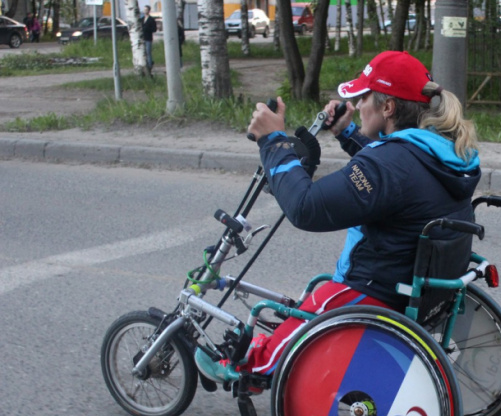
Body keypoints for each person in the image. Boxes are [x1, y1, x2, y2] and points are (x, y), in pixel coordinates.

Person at [195, 51, 481, 382]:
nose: (357, 104)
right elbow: (398, 180)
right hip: (418, 287)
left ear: (387, 108)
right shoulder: (440, 150)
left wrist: (274, 143)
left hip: (376, 288)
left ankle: (246, 366)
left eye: (363, 97)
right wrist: (347, 132)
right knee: (319, 289)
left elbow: (306, 208)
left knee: (321, 298)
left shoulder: (388, 165)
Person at [141, 6, 157, 74]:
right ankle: (144, 65)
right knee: (143, 53)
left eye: (146, 10)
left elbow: (154, 29)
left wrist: (147, 29)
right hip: (142, 38)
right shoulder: (142, 19)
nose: (145, 11)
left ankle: (150, 65)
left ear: (149, 10)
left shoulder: (151, 19)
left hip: (148, 38)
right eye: (144, 10)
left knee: (148, 52)